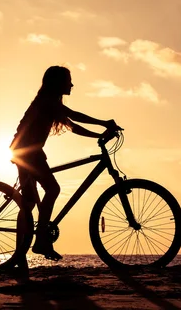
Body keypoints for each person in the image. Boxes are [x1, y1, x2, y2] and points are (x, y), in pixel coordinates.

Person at [11, 65, 120, 262]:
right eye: (68, 80)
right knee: (52, 189)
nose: (71, 84)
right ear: (57, 83)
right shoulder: (47, 101)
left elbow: (73, 126)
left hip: (26, 151)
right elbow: (75, 115)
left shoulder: (49, 103)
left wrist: (99, 136)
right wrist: (104, 123)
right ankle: (41, 239)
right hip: (27, 152)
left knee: (27, 203)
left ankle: (22, 253)